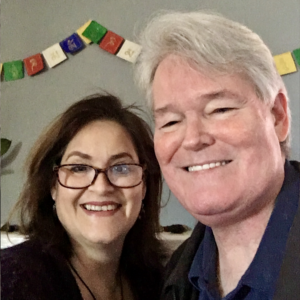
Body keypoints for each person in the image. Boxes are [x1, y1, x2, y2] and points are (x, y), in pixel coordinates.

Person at [134, 10, 300, 300]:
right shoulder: (175, 276)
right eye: (171, 121)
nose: (194, 139)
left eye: (220, 110)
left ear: (277, 116)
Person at [1, 93, 167, 300]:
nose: (101, 187)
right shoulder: (13, 280)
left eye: (121, 167)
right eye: (79, 168)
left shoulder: (160, 281)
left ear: (144, 186)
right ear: (53, 185)